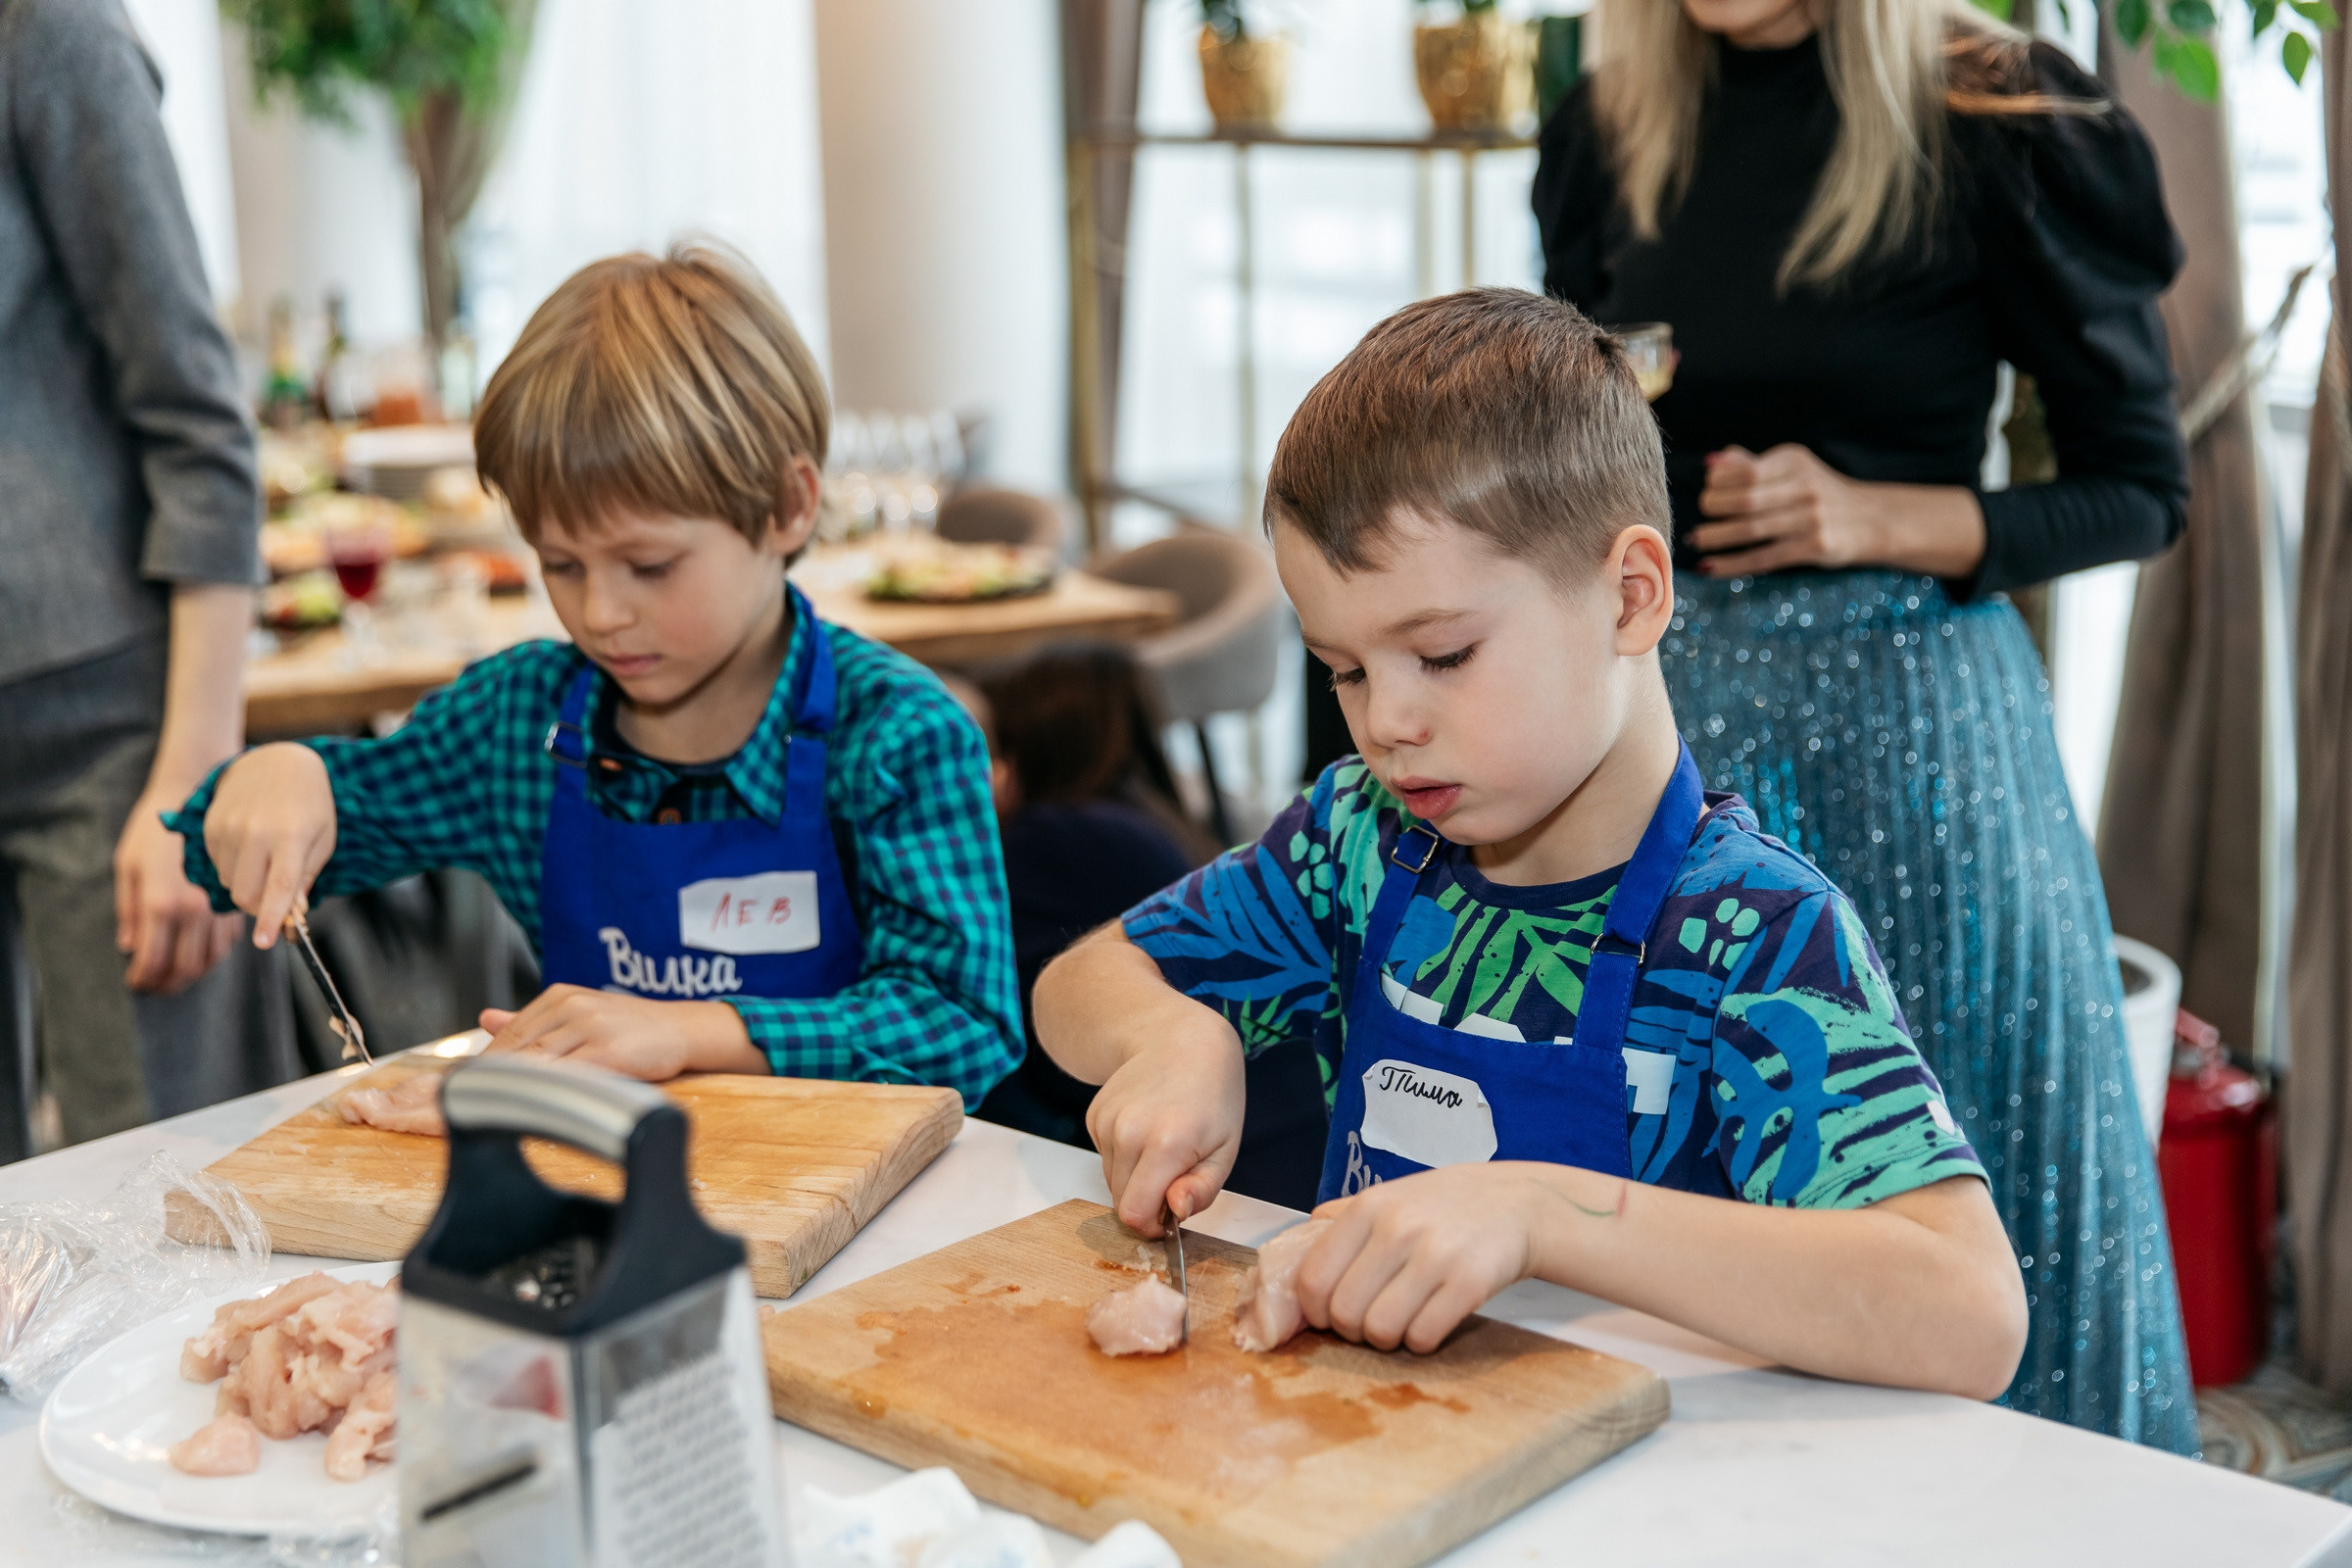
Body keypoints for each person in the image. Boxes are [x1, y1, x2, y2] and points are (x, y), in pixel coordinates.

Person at [1035, 291, 2028, 1396]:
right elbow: (1078, 983)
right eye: (1348, 671)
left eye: (1446, 654)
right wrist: (1174, 1039)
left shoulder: (1755, 933)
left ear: (1630, 597)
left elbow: (1971, 1313)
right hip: (1363, 1451)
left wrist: (1539, 1211)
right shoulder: (1358, 840)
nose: (1387, 723)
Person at [1533, 0, 2195, 1447]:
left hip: (1924, 749)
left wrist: (1873, 516)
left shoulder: (2003, 115)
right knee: (1691, 1220)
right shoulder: (1612, 119)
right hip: (1671, 742)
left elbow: (2142, 487)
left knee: (1962, 1205)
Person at [169, 246, 1021, 1102]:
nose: (601, 613)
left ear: (789, 506)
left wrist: (686, 1031)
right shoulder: (518, 726)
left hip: (869, 1215)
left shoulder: (895, 736)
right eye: (561, 564)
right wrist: (277, 776)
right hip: (600, 1193)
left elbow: (963, 1025)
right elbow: (244, 852)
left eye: (648, 566)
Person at [0, 0, 286, 1158]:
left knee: (160, 1186)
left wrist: (190, 784)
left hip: (102, 734)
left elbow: (202, 427)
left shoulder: (47, 31)